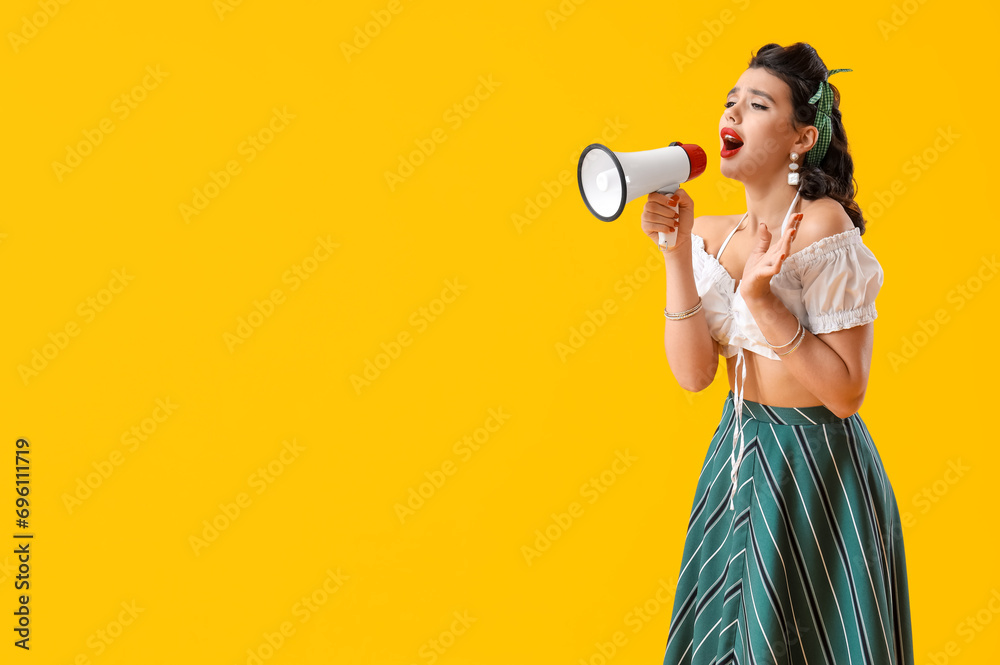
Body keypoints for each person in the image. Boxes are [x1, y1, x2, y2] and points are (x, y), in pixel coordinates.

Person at [640, 43, 914, 665]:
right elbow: (693, 375)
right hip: (736, 459)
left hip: (815, 470)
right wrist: (675, 254)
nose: (732, 113)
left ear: (801, 137)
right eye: (730, 101)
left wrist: (763, 300)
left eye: (758, 104)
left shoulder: (823, 226)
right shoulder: (709, 232)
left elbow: (845, 394)